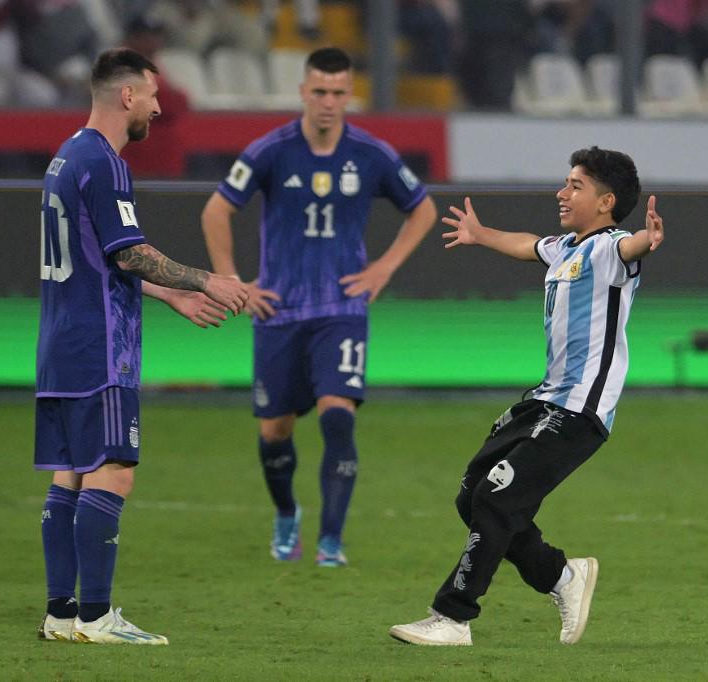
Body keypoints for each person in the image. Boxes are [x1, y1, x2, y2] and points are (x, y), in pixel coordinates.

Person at [390, 146, 665, 646]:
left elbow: (633, 249)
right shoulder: (566, 249)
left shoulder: (610, 248)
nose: (562, 192)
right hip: (543, 399)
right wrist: (480, 235)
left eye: (575, 186)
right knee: (472, 493)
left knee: (498, 498)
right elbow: (527, 245)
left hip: (579, 409)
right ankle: (562, 577)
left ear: (605, 202)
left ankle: (453, 616)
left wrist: (649, 238)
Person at [34, 47, 249, 645]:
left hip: (59, 342)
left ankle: (61, 612)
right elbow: (128, 251)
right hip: (101, 346)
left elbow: (97, 260)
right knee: (114, 471)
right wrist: (207, 280)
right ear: (126, 96)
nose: (158, 106)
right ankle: (98, 617)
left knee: (69, 475)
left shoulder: (65, 158)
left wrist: (169, 296)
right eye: (152, 95)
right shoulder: (104, 162)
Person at [200, 47, 437, 567]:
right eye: (319, 92)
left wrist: (384, 268)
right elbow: (216, 210)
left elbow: (423, 209)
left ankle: (332, 539)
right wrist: (233, 283)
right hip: (278, 311)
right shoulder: (271, 150)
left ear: (349, 95)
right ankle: (287, 514)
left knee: (338, 418)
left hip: (341, 308)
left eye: (337, 93)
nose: (328, 102)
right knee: (274, 434)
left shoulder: (371, 153)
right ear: (303, 93)